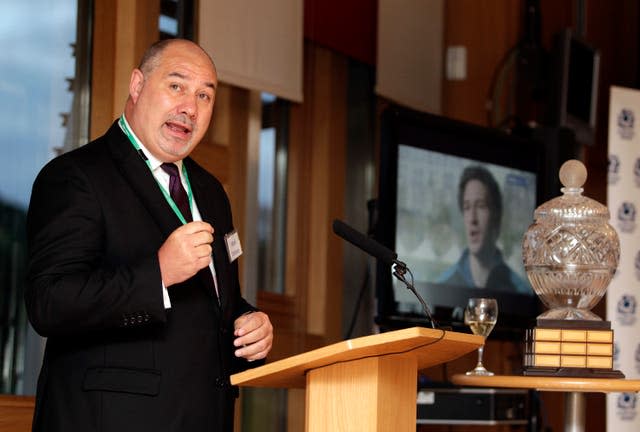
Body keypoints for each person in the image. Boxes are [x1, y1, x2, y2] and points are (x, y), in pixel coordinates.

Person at [25, 38, 273, 432]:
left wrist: (247, 323)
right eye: (176, 86)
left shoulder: (211, 193)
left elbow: (212, 304)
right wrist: (157, 274)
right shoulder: (76, 176)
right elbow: (49, 301)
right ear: (137, 86)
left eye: (205, 95)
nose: (189, 107)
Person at [436, 165, 530, 294]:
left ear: (496, 215)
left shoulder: (520, 291)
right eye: (467, 207)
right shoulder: (442, 285)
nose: (472, 219)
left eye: (481, 206)